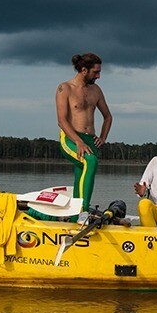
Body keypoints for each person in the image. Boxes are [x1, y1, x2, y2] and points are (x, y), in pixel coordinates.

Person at [49, 52, 112, 221]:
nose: (98, 76)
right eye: (95, 72)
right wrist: (78, 142)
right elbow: (61, 120)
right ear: (84, 70)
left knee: (81, 175)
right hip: (70, 139)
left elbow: (108, 116)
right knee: (90, 161)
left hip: (90, 140)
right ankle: (83, 212)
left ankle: (74, 215)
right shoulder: (65, 88)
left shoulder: (96, 90)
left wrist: (103, 137)